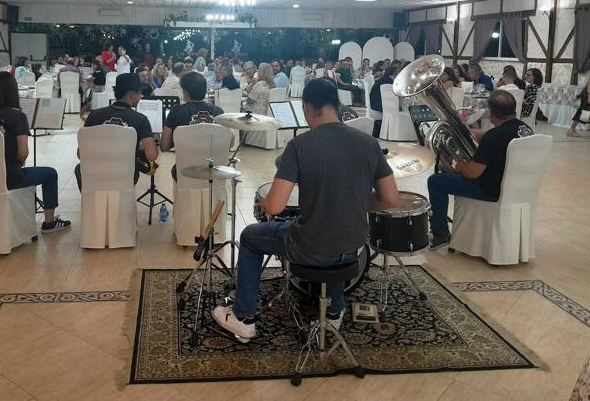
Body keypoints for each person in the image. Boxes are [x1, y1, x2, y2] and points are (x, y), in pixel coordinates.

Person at [212, 77, 399, 341]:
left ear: (307, 108)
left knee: (250, 236)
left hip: (310, 248)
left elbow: (275, 205)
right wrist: (350, 201)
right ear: (337, 105)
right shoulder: (368, 142)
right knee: (336, 229)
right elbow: (390, 199)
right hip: (353, 247)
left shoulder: (300, 145)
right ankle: (335, 310)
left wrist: (265, 203)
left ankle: (243, 317)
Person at [427, 90, 534, 249]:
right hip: (518, 189)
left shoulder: (494, 137)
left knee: (436, 181)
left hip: (490, 190)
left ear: (491, 113)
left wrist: (459, 166)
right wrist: (463, 132)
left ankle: (440, 234)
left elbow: (472, 173)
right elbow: (492, 136)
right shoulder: (524, 129)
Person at [0, 72, 71, 233]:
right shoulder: (17, 116)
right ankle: (49, 223)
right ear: (13, 92)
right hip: (8, 177)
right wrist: (15, 164)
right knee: (50, 174)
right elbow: (23, 153)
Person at [75, 73, 158, 190]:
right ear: (132, 95)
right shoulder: (140, 119)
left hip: (95, 175)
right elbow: (152, 155)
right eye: (140, 93)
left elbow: (80, 154)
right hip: (124, 175)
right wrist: (139, 150)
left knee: (79, 168)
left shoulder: (94, 116)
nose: (141, 96)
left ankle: (93, 198)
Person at [160, 72, 224, 179]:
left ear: (186, 93)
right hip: (212, 172)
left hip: (184, 172)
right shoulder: (218, 112)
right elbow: (230, 142)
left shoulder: (176, 111)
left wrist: (178, 140)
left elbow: (164, 146)